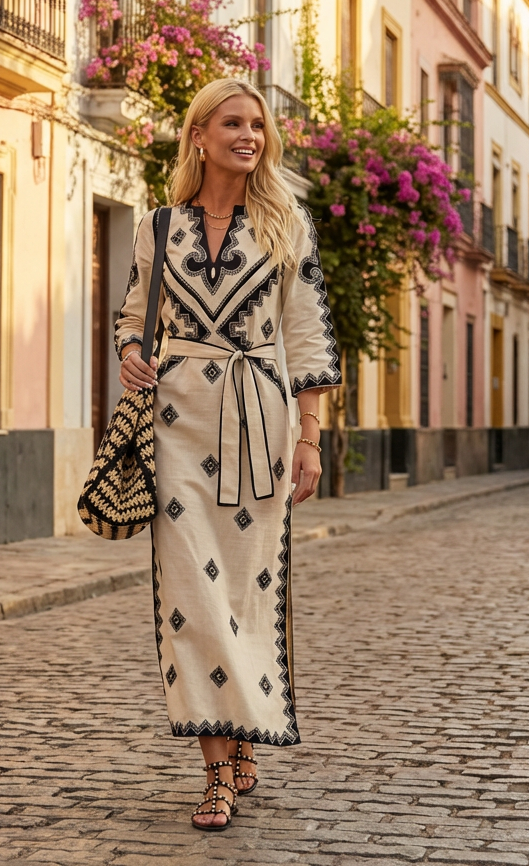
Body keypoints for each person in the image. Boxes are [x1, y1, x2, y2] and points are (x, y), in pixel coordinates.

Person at [115, 78, 340, 830]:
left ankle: (243, 734)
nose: (250, 136)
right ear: (199, 135)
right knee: (191, 595)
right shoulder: (158, 226)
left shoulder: (287, 225)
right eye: (233, 123)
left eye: (258, 126)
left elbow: (307, 335)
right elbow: (133, 314)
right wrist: (130, 353)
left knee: (245, 593)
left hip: (260, 425)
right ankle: (216, 771)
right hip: (177, 425)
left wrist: (309, 437)